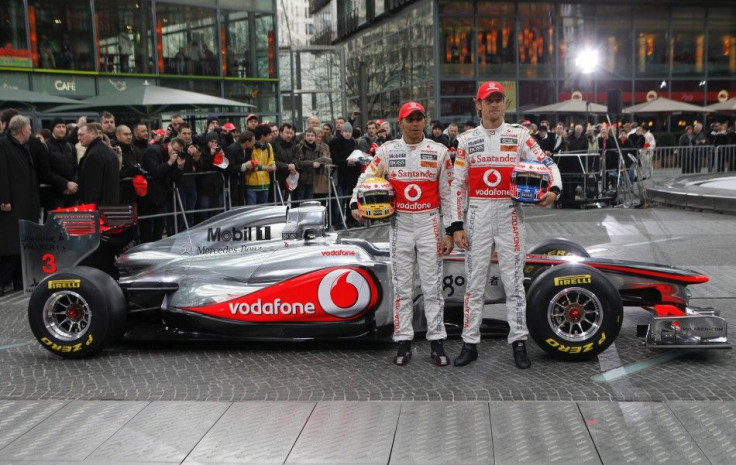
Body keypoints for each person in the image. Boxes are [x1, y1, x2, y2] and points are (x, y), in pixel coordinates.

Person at [450, 81, 562, 369]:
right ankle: (469, 342)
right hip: (476, 214)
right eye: (489, 100)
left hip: (510, 211)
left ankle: (519, 342)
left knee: (514, 282)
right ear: (479, 104)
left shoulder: (520, 135)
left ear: (505, 103)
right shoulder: (465, 141)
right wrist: (456, 225)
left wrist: (555, 189)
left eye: (499, 100)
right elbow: (457, 186)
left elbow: (548, 163)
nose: (494, 105)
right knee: (474, 284)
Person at [350, 102, 454, 366]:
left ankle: (437, 342)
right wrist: (355, 204)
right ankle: (403, 341)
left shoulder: (439, 151)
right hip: (400, 223)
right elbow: (365, 178)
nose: (416, 123)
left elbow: (449, 195)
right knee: (402, 287)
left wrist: (451, 230)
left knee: (432, 287)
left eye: (420, 118)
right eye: (411, 119)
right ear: (401, 123)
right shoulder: (387, 151)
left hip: (430, 221)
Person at [0, 115, 41, 294]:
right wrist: (4, 198)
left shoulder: (22, 147)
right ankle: (3, 281)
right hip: (12, 203)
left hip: (25, 202)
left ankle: (18, 281)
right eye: (29, 128)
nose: (31, 131)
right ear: (23, 129)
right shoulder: (4, 145)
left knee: (21, 244)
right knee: (11, 245)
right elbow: (2, 173)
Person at [77, 122, 120, 206]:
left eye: (81, 135)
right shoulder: (109, 151)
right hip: (111, 204)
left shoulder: (93, 155)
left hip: (97, 208)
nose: (78, 138)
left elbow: (93, 187)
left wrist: (89, 208)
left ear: (92, 134)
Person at [245, 124, 276, 205]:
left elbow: (271, 160)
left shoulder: (269, 146)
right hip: (252, 183)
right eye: (269, 134)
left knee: (263, 209)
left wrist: (271, 166)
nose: (271, 136)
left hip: (265, 183)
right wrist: (264, 168)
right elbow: (249, 164)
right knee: (252, 210)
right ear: (263, 136)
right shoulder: (252, 146)